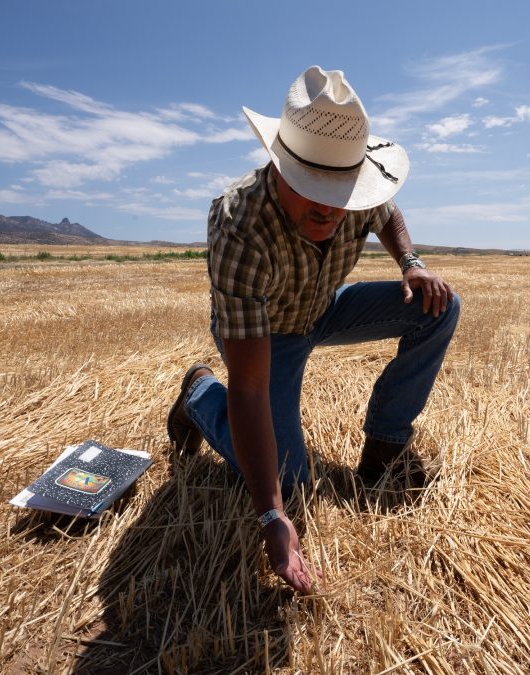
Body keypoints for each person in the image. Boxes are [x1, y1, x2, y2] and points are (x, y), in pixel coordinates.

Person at [166, 66, 460, 594]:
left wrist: (411, 262)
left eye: (340, 189)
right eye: (311, 188)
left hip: (321, 308)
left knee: (438, 305)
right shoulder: (240, 224)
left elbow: (387, 215)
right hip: (268, 333)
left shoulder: (359, 194)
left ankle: (384, 451)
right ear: (279, 166)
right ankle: (200, 396)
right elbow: (251, 388)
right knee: (289, 483)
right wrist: (270, 517)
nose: (328, 205)